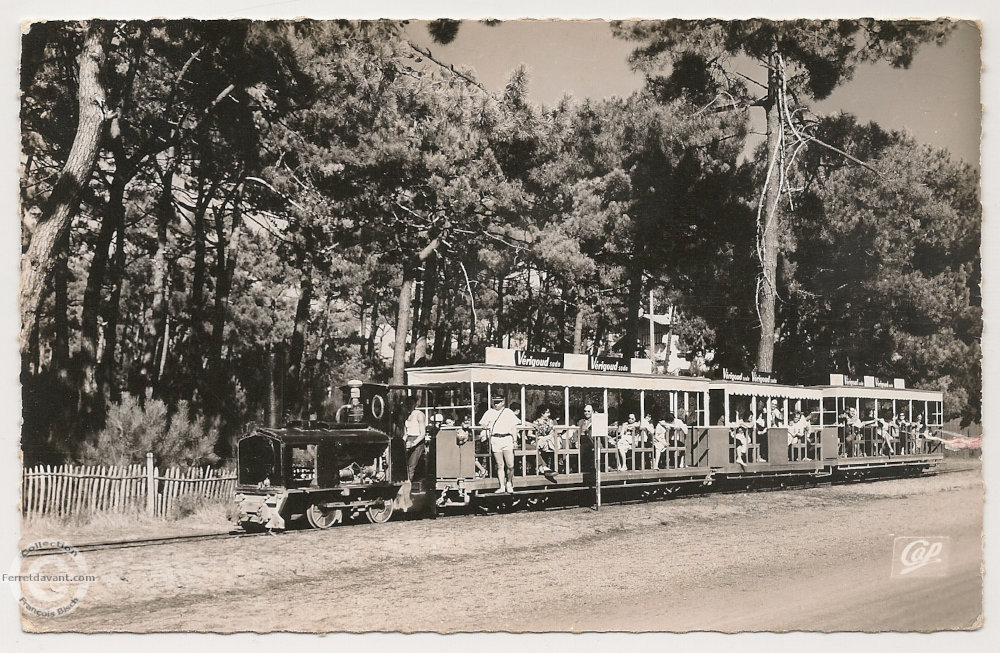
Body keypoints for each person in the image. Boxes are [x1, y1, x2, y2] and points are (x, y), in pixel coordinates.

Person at [479, 395, 520, 493]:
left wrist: (515, 441)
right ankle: (502, 486)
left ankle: (509, 482)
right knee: (500, 464)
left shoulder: (508, 412)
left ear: (503, 402)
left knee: (510, 464)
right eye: (494, 402)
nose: (496, 404)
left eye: (498, 402)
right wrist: (485, 425)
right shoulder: (489, 412)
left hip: (507, 438)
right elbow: (482, 423)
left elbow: (514, 427)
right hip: (495, 439)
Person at [403, 396, 427, 481]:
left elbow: (423, 433)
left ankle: (408, 486)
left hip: (417, 441)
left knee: (411, 466)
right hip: (408, 440)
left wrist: (414, 443)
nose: (409, 405)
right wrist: (403, 441)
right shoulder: (406, 415)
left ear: (415, 404)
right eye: (407, 403)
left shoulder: (419, 414)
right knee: (404, 465)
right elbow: (406, 432)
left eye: (411, 403)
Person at [532, 405, 558, 481]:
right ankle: (542, 468)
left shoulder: (550, 421)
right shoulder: (536, 422)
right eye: (547, 412)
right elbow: (529, 434)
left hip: (548, 439)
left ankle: (548, 468)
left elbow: (552, 433)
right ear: (542, 413)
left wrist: (544, 438)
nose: (549, 414)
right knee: (536, 445)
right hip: (538, 439)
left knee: (550, 444)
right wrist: (538, 437)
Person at [577, 404, 595, 474]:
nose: (586, 413)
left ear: (592, 412)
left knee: (585, 448)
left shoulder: (595, 420)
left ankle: (587, 467)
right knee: (582, 447)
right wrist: (576, 441)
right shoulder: (581, 421)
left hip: (592, 440)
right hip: (582, 440)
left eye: (588, 411)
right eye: (585, 411)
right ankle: (580, 467)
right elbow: (576, 431)